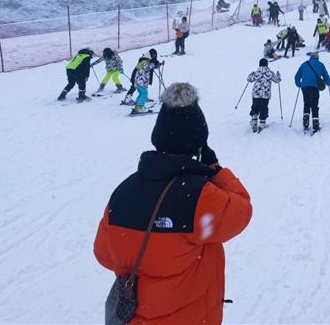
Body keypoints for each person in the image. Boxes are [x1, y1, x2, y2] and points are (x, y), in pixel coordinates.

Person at [94, 84, 252, 324]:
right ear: (198, 143)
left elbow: (104, 254)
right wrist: (216, 170)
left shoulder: (124, 191)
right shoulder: (200, 196)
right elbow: (241, 211)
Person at [294, 51, 330, 133]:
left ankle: (305, 123)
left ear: (310, 57)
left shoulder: (304, 64)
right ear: (317, 58)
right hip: (314, 87)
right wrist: (328, 83)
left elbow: (297, 77)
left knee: (306, 103)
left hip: (305, 87)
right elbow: (325, 75)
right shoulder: (320, 64)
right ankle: (315, 125)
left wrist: (299, 84)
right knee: (314, 105)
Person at [246, 59, 281, 132]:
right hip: (265, 94)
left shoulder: (256, 72)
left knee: (255, 106)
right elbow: (277, 80)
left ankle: (254, 121)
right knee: (264, 107)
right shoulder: (270, 73)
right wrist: (278, 75)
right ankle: (262, 123)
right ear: (267, 64)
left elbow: (249, 79)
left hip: (256, 93)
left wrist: (251, 74)